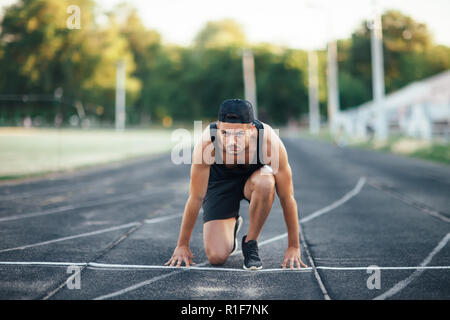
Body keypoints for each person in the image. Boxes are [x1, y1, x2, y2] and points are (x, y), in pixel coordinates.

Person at [165, 99, 307, 270]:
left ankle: (250, 242)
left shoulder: (269, 143)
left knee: (266, 181)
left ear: (252, 129)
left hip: (254, 182)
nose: (231, 141)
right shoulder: (206, 144)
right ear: (218, 128)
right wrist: (182, 245)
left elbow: (287, 198)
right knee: (216, 257)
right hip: (220, 184)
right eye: (225, 134)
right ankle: (231, 227)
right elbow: (195, 197)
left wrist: (294, 246)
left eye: (239, 134)